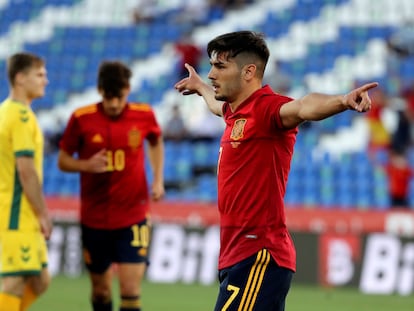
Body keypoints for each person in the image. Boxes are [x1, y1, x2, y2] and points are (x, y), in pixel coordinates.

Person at [174, 31, 377, 311]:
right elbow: (216, 107)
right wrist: (199, 88)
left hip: (258, 253)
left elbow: (304, 106)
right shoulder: (235, 112)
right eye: (210, 67)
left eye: (220, 67)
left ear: (249, 72)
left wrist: (342, 100)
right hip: (238, 254)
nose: (211, 74)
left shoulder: (268, 109)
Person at [57, 60, 165, 311]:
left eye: (118, 97)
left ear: (128, 89)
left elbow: (156, 141)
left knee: (130, 290)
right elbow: (62, 160)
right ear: (99, 91)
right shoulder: (82, 118)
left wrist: (158, 179)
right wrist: (85, 165)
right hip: (95, 218)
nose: (114, 104)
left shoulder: (144, 114)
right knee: (101, 290)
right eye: (108, 97)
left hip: (133, 215)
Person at [0, 52, 53, 311]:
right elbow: (26, 170)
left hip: (22, 213)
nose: (46, 80)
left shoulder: (9, 112)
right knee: (14, 281)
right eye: (40, 75)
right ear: (20, 78)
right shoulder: (19, 116)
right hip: (15, 212)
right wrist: (43, 212)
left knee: (41, 280)